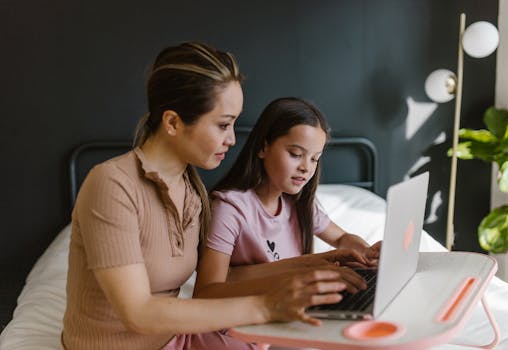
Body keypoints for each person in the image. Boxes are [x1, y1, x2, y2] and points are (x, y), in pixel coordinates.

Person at [61, 43, 348, 350]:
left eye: (234, 124)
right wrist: (265, 305)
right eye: (223, 124)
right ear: (173, 122)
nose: (233, 138)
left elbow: (224, 281)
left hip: (176, 339)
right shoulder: (112, 185)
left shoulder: (191, 191)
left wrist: (314, 266)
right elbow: (139, 314)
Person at [194, 97, 382, 300]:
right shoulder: (230, 208)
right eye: (295, 154)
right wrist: (305, 268)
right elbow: (208, 291)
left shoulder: (299, 204)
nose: (306, 167)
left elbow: (340, 238)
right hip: (239, 323)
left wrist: (366, 252)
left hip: (284, 313)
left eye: (314, 159)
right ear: (263, 147)